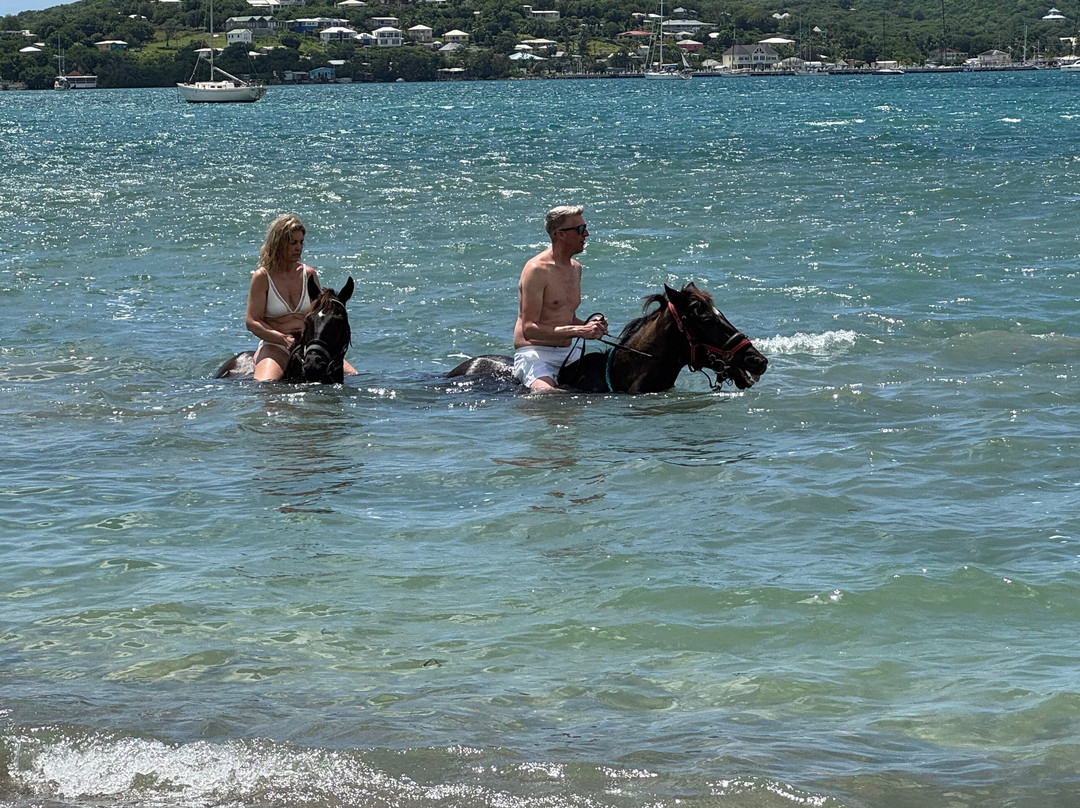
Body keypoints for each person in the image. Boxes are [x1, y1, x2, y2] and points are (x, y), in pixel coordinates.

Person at [244, 214, 356, 382]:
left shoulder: (308, 274)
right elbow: (252, 322)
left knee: (353, 376)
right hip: (276, 345)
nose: (299, 248)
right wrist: (282, 339)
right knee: (265, 385)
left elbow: (321, 314)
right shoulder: (262, 277)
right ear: (279, 244)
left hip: (309, 346)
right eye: (293, 243)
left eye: (301, 242)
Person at [512, 205, 608, 391]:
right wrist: (579, 331)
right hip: (535, 353)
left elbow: (564, 318)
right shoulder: (536, 270)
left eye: (585, 227)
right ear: (560, 234)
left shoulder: (576, 268)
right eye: (580, 229)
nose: (586, 234)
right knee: (549, 396)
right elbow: (530, 329)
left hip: (569, 353)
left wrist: (591, 327)